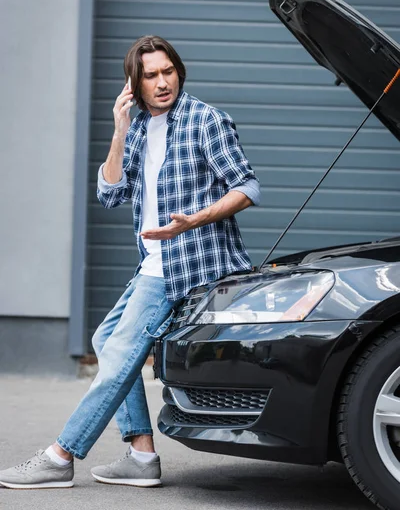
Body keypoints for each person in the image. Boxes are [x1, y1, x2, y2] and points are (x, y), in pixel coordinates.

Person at [0, 35, 260, 489]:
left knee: (119, 355)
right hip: (153, 264)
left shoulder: (205, 121)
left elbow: (247, 186)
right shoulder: (138, 128)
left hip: (190, 265)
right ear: (134, 84)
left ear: (178, 71)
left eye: (168, 71)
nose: (162, 83)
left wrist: (194, 220)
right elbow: (110, 193)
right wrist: (119, 130)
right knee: (106, 339)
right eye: (150, 75)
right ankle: (141, 456)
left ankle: (59, 457)